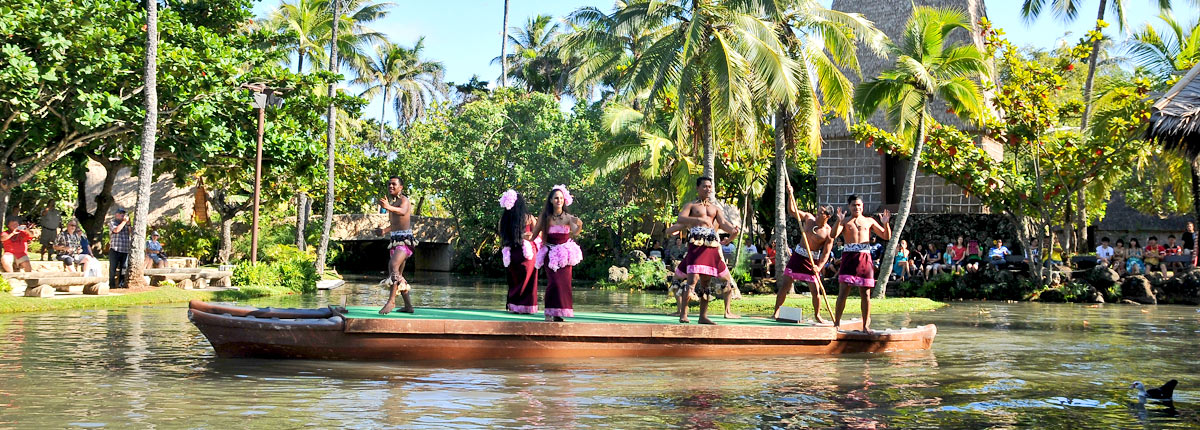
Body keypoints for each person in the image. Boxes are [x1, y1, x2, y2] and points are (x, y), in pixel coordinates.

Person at [673, 177, 739, 325]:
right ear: (698, 188)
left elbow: (724, 224)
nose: (708, 189)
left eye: (710, 187)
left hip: (711, 246)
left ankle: (703, 316)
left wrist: (733, 234)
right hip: (696, 245)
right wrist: (697, 221)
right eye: (705, 186)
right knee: (692, 280)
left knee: (706, 282)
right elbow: (681, 218)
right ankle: (683, 314)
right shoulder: (691, 205)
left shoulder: (715, 209)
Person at [772, 185, 834, 323]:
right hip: (798, 256)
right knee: (785, 285)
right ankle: (776, 312)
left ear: (827, 216)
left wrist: (819, 267)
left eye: (821, 213)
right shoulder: (808, 218)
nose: (817, 214)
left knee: (815, 290)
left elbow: (826, 253)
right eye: (818, 212)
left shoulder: (829, 232)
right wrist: (790, 194)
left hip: (812, 261)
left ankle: (818, 315)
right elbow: (792, 210)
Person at [831, 195, 891, 333]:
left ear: (862, 206)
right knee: (843, 293)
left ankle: (865, 326)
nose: (857, 207)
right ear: (849, 207)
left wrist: (885, 223)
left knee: (865, 294)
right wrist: (838, 221)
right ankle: (836, 324)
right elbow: (833, 235)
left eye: (859, 205)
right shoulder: (845, 222)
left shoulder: (869, 221)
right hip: (849, 257)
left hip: (864, 257)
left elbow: (886, 236)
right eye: (854, 205)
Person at [532, 185, 583, 322]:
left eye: (561, 198)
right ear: (551, 200)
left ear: (564, 200)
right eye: (556, 198)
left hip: (564, 254)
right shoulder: (545, 217)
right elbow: (535, 233)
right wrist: (527, 237)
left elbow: (575, 232)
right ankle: (549, 311)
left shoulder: (568, 217)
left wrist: (580, 225)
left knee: (564, 283)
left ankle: (559, 312)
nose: (559, 200)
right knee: (553, 282)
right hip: (550, 253)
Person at [377, 176, 415, 315]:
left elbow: (403, 211)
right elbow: (394, 225)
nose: (391, 186)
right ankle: (408, 306)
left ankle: (391, 301)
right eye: (389, 184)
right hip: (394, 240)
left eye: (394, 184)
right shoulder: (394, 202)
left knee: (393, 266)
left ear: (401, 187)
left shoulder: (404, 200)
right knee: (398, 272)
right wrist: (383, 231)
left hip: (405, 241)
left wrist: (387, 207)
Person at [499, 189, 540, 314]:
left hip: (512, 254)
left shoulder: (504, 220)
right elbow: (539, 234)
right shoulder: (528, 218)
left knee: (514, 280)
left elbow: (503, 237)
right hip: (527, 252)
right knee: (529, 281)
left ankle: (514, 306)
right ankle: (527, 307)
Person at [108, 209, 132, 288]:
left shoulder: (126, 224)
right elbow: (116, 230)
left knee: (124, 268)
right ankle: (111, 284)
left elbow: (131, 233)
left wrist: (128, 224)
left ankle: (121, 284)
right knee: (113, 268)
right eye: (121, 213)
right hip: (115, 249)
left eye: (123, 214)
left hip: (125, 250)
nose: (122, 215)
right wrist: (124, 222)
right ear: (116, 214)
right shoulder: (112, 222)